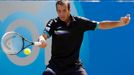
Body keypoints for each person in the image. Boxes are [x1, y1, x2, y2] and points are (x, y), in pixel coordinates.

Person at [38, 0, 130, 75]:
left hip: (74, 67)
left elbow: (100, 25)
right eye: (59, 11)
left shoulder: (80, 22)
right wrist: (42, 40)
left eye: (64, 10)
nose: (61, 14)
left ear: (69, 10)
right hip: (55, 67)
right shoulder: (53, 23)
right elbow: (43, 36)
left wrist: (119, 23)